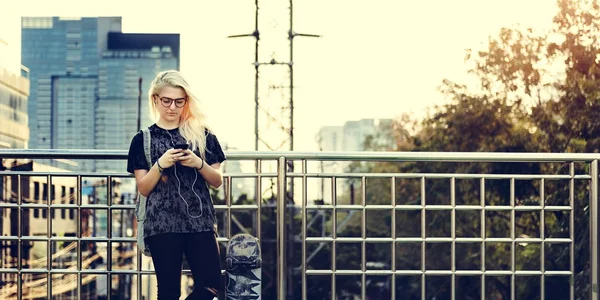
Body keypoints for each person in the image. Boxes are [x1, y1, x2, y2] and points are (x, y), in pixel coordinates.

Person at [127, 70, 226, 300]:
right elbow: (143, 187)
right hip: (161, 224)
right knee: (169, 292)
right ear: (155, 100)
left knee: (211, 283)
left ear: (186, 102)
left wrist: (197, 162)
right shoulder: (142, 139)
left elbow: (217, 180)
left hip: (199, 222)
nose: (172, 107)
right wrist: (161, 164)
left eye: (179, 102)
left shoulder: (203, 135)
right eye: (166, 101)